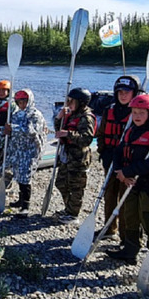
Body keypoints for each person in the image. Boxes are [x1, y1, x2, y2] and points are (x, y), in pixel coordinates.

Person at [107, 94, 149, 264]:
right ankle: (130, 250)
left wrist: (128, 171)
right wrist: (120, 172)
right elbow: (118, 152)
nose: (136, 116)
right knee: (130, 216)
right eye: (134, 112)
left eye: (141, 113)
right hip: (130, 182)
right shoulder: (131, 130)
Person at [96, 75, 141, 241]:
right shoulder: (110, 110)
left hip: (128, 163)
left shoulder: (138, 112)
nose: (123, 95)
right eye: (120, 92)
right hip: (110, 159)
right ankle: (109, 228)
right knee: (109, 195)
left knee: (125, 198)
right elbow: (101, 133)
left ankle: (125, 234)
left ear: (134, 93)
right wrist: (103, 152)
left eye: (127, 92)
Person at [53, 88, 97, 225]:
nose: (68, 103)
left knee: (76, 187)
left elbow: (87, 139)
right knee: (60, 183)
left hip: (79, 158)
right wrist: (59, 117)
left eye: (72, 101)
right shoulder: (71, 114)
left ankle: (73, 214)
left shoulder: (86, 118)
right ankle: (68, 208)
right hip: (67, 156)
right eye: (68, 100)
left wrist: (68, 134)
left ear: (81, 103)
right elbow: (58, 129)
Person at [4, 89, 47, 217]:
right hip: (18, 150)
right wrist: (6, 130)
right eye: (19, 102)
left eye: (24, 101)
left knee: (25, 177)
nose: (21, 104)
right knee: (18, 174)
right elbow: (12, 129)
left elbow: (32, 131)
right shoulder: (17, 114)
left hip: (30, 151)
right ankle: (20, 200)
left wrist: (13, 128)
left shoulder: (35, 114)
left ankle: (26, 207)